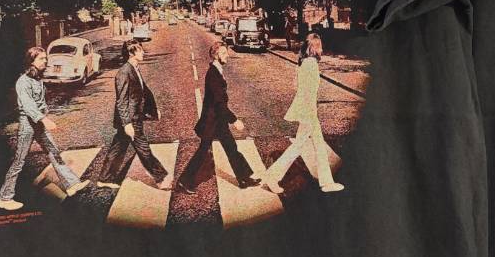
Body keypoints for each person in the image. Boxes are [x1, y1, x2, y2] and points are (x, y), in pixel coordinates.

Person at [0, 46, 90, 210]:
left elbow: (40, 102)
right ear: (31, 61)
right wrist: (44, 119)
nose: (45, 61)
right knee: (19, 161)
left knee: (53, 152)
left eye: (46, 58)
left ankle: (72, 185)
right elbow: (28, 105)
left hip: (39, 122)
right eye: (41, 58)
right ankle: (5, 197)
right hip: (28, 124)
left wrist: (44, 115)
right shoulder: (23, 81)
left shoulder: (37, 79)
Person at [263, 32, 344, 195]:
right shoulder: (311, 64)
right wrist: (311, 113)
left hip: (306, 110)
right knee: (301, 146)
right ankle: (273, 177)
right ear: (314, 47)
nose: (322, 49)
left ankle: (326, 182)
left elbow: (297, 86)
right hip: (308, 112)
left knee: (315, 146)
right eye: (320, 46)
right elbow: (308, 92)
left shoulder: (303, 63)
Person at [179, 38, 260, 192]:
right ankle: (184, 182)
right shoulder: (213, 74)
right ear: (215, 55)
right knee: (203, 152)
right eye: (223, 53)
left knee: (231, 147)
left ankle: (243, 178)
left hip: (218, 120)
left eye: (226, 52)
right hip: (212, 121)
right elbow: (219, 103)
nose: (227, 55)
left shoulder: (217, 71)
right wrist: (234, 120)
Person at [96, 41, 172, 189]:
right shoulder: (124, 72)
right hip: (131, 119)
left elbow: (144, 91)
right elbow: (121, 101)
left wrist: (153, 110)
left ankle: (105, 178)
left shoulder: (134, 68)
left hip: (134, 116)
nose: (143, 52)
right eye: (139, 50)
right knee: (143, 148)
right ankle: (161, 177)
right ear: (131, 53)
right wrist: (126, 124)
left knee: (118, 147)